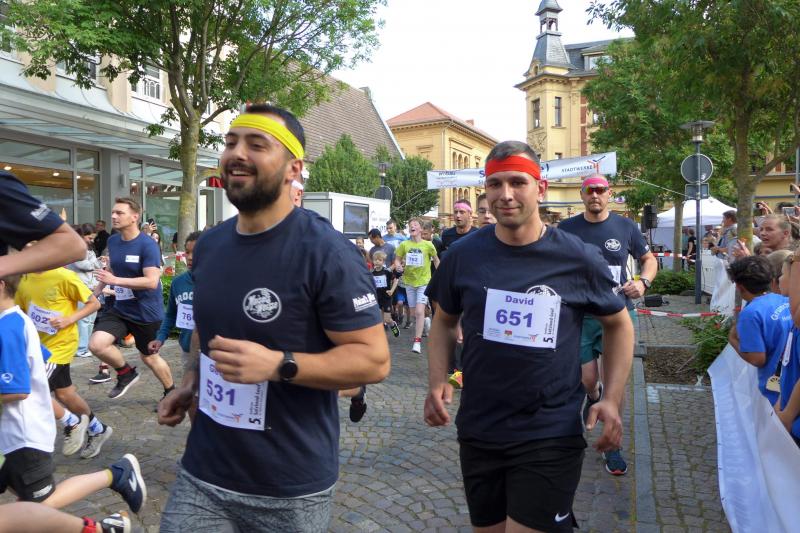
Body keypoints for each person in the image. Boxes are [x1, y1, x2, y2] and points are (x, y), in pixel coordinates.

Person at [157, 103, 390, 531]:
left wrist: (279, 364)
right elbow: (208, 328)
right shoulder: (209, 246)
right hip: (204, 470)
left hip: (289, 486)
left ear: (293, 168)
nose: (236, 153)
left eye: (256, 144)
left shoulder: (327, 252)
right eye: (230, 143)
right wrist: (190, 380)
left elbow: (373, 361)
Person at [424, 140, 634, 532]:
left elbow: (619, 324)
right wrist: (439, 380)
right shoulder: (462, 256)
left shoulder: (577, 257)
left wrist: (611, 399)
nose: (505, 194)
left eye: (518, 182)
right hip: (480, 428)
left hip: (549, 430)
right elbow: (444, 320)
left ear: (540, 188)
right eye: (495, 184)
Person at [0, 274, 146, 515]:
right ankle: (88, 426)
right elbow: (35, 352)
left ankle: (112, 476)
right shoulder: (16, 314)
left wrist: (68, 320)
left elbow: (19, 390)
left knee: (36, 507)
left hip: (23, 433)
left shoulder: (12, 325)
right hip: (11, 432)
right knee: (65, 394)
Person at [558, 174, 657, 476]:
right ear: (582, 194)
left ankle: (613, 445)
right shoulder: (567, 228)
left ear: (609, 194)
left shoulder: (625, 227)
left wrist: (643, 282)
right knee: (588, 379)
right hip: (581, 315)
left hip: (617, 316)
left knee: (615, 383)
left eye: (600, 190)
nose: (595, 195)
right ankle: (593, 398)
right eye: (590, 191)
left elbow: (649, 259)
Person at [14, 258, 113, 459]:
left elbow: (94, 304)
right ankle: (98, 429)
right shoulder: (24, 279)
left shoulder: (64, 276)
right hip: (38, 347)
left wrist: (69, 319)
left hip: (59, 346)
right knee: (65, 394)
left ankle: (71, 423)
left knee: (28, 391)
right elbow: (22, 313)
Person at [88, 198, 175, 401]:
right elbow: (110, 271)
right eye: (113, 212)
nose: (113, 216)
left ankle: (171, 392)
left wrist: (115, 281)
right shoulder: (113, 241)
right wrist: (96, 293)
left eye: (119, 213)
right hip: (121, 308)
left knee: (149, 358)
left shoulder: (148, 245)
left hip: (146, 312)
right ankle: (126, 373)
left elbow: (151, 281)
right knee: (97, 344)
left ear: (134, 217)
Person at [727, 256, 792, 406]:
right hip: (791, 382)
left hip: (776, 393)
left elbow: (757, 359)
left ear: (739, 287)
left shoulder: (751, 313)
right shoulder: (784, 300)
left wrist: (733, 340)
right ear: (771, 280)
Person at [149, 231, 201, 410]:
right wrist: (160, 337)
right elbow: (171, 314)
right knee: (193, 399)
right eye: (187, 252)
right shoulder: (178, 283)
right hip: (188, 350)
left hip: (213, 353)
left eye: (196, 252)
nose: (190, 257)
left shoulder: (218, 282)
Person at [394, 218, 440, 353]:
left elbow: (436, 260)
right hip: (409, 282)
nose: (412, 226)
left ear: (421, 229)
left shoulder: (428, 245)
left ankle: (417, 342)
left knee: (419, 311)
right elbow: (397, 260)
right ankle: (425, 321)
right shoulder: (404, 245)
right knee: (415, 313)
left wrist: (441, 276)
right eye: (410, 225)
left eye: (415, 225)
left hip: (424, 282)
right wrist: (398, 266)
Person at [67, 223, 104, 358]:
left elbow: (94, 265)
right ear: (82, 236)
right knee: (83, 319)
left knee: (90, 320)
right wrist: (97, 262)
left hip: (91, 287)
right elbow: (83, 265)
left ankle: (86, 346)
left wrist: (97, 262)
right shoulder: (75, 248)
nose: (92, 240)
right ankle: (81, 348)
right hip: (81, 287)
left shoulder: (88, 248)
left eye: (93, 238)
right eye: (90, 237)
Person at [776, 251, 800, 445]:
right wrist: (780, 403)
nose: (779, 279)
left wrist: (788, 414)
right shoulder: (794, 324)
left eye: (783, 274)